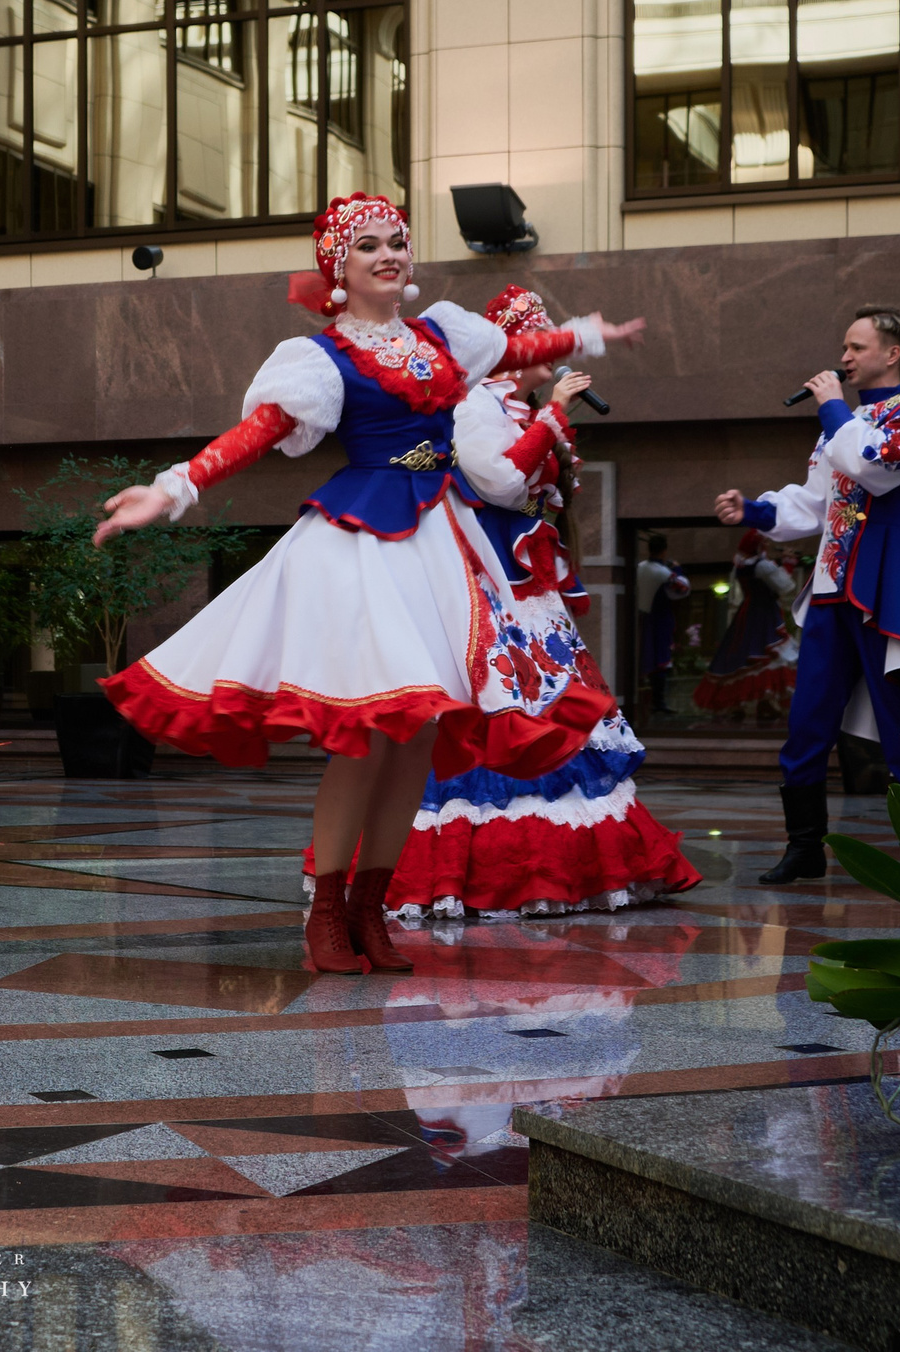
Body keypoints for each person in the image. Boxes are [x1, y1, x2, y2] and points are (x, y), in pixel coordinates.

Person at [91, 195, 646, 976]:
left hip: (441, 546)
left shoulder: (444, 332)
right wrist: (174, 487)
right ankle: (325, 912)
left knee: (415, 742)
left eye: (399, 243)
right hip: (364, 546)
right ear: (339, 271)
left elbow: (521, 351)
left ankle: (370, 911)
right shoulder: (321, 360)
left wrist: (588, 334)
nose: (391, 255)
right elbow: (257, 435)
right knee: (368, 736)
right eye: (370, 247)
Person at [373, 284, 699, 920]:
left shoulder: (517, 409)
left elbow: (545, 490)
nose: (545, 347)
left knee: (553, 707)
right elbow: (497, 482)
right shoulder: (475, 405)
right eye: (534, 335)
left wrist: (550, 430)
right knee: (504, 706)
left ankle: (570, 862)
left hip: (529, 586)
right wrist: (551, 418)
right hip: (489, 584)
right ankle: (482, 871)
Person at [714, 305, 900, 883]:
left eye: (856, 348)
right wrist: (752, 511)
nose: (844, 359)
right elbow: (811, 504)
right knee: (807, 722)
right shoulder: (840, 425)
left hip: (889, 588)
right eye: (844, 348)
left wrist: (834, 406)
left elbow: (873, 467)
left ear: (892, 353)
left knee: (898, 725)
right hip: (832, 589)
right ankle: (804, 848)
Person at [690, 530, 800, 723]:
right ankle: (764, 703)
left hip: (747, 613)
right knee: (769, 655)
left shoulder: (740, 563)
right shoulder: (763, 566)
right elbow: (786, 586)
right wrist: (788, 564)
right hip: (765, 614)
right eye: (764, 543)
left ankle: (748, 704)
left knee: (743, 655)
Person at [633, 535, 689, 714]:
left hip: (639, 617)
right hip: (658, 619)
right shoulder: (663, 572)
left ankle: (644, 701)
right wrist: (677, 568)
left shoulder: (639, 567)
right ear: (664, 550)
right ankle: (658, 702)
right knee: (660, 659)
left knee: (642, 658)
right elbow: (683, 589)